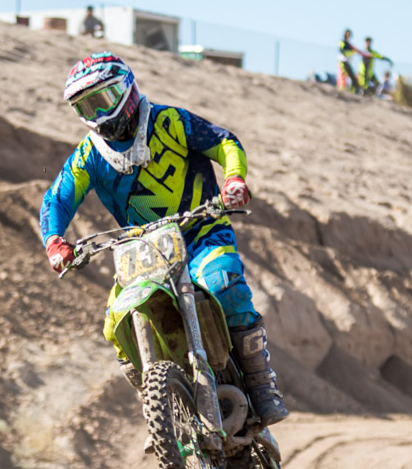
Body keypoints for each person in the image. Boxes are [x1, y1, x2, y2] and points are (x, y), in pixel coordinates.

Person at [40, 52, 289, 427]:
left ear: (127, 90)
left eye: (103, 99)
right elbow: (57, 199)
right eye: (86, 107)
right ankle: (160, 412)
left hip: (201, 232)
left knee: (223, 284)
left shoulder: (170, 121)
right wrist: (55, 242)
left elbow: (224, 143)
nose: (99, 114)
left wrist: (234, 178)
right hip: (144, 249)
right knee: (116, 324)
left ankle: (261, 383)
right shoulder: (89, 154)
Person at [337, 29, 365, 94]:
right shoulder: (342, 42)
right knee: (343, 77)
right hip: (342, 62)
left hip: (347, 62)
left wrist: (363, 53)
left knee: (353, 77)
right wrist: (352, 52)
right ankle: (342, 91)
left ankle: (353, 91)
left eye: (349, 34)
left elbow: (357, 50)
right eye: (347, 34)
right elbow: (343, 52)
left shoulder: (350, 44)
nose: (348, 35)